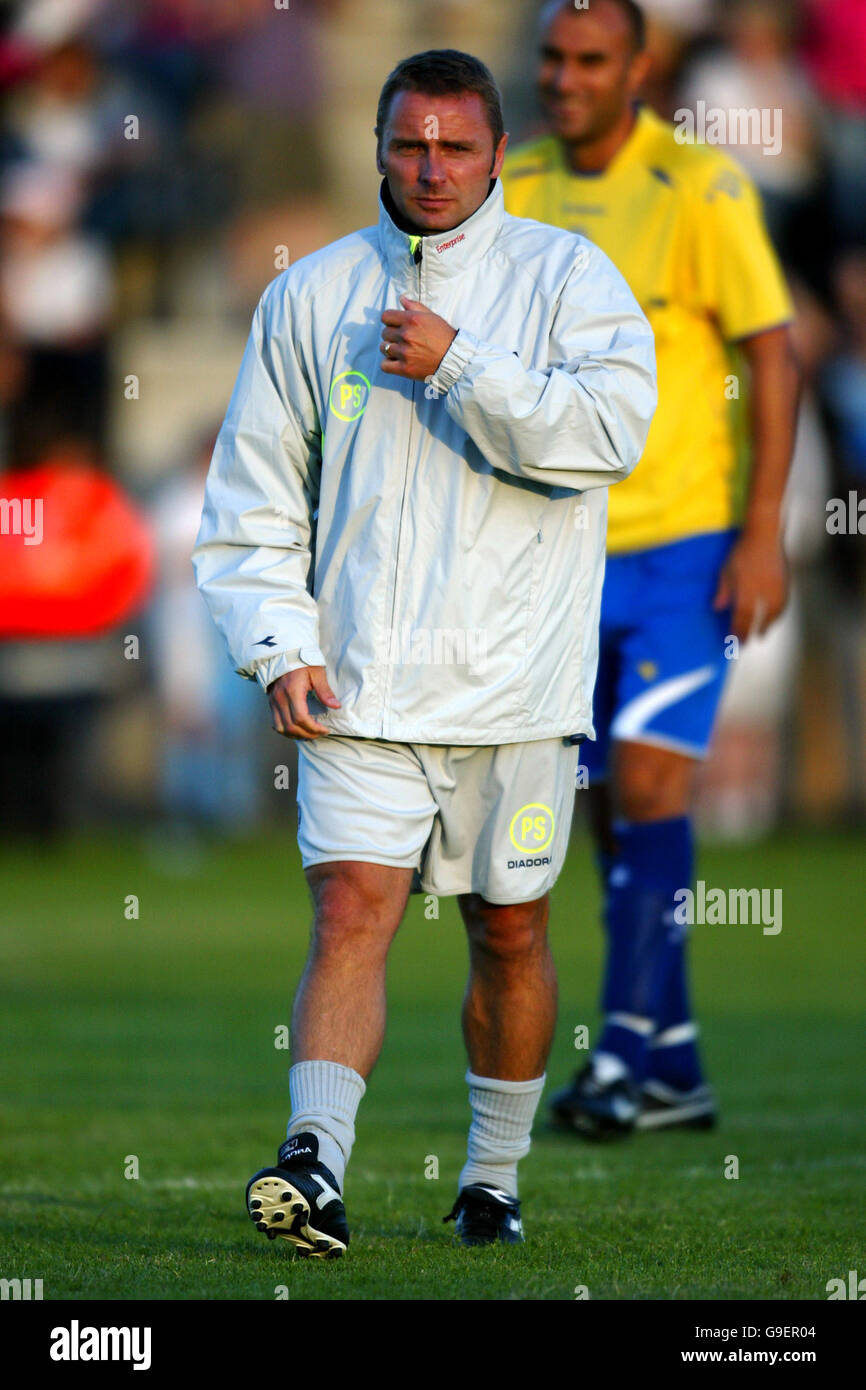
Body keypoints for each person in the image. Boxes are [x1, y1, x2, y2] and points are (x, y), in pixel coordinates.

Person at [193, 48, 656, 1254]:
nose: (432, 169)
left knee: (510, 933)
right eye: (410, 146)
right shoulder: (310, 295)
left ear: (499, 153)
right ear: (378, 150)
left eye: (456, 147)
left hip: (517, 688)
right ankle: (317, 1166)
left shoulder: (569, 277)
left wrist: (457, 360)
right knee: (351, 909)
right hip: (356, 682)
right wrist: (276, 641)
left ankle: (491, 1181)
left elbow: (607, 433)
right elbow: (250, 498)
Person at [501, 0, 799, 1138]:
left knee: (651, 786)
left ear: (637, 65)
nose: (565, 77)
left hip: (680, 549)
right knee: (603, 817)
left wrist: (761, 524)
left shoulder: (699, 187)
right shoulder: (512, 185)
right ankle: (673, 1061)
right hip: (558, 552)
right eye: (551, 58)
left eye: (589, 59)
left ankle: (619, 1058)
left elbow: (768, 352)